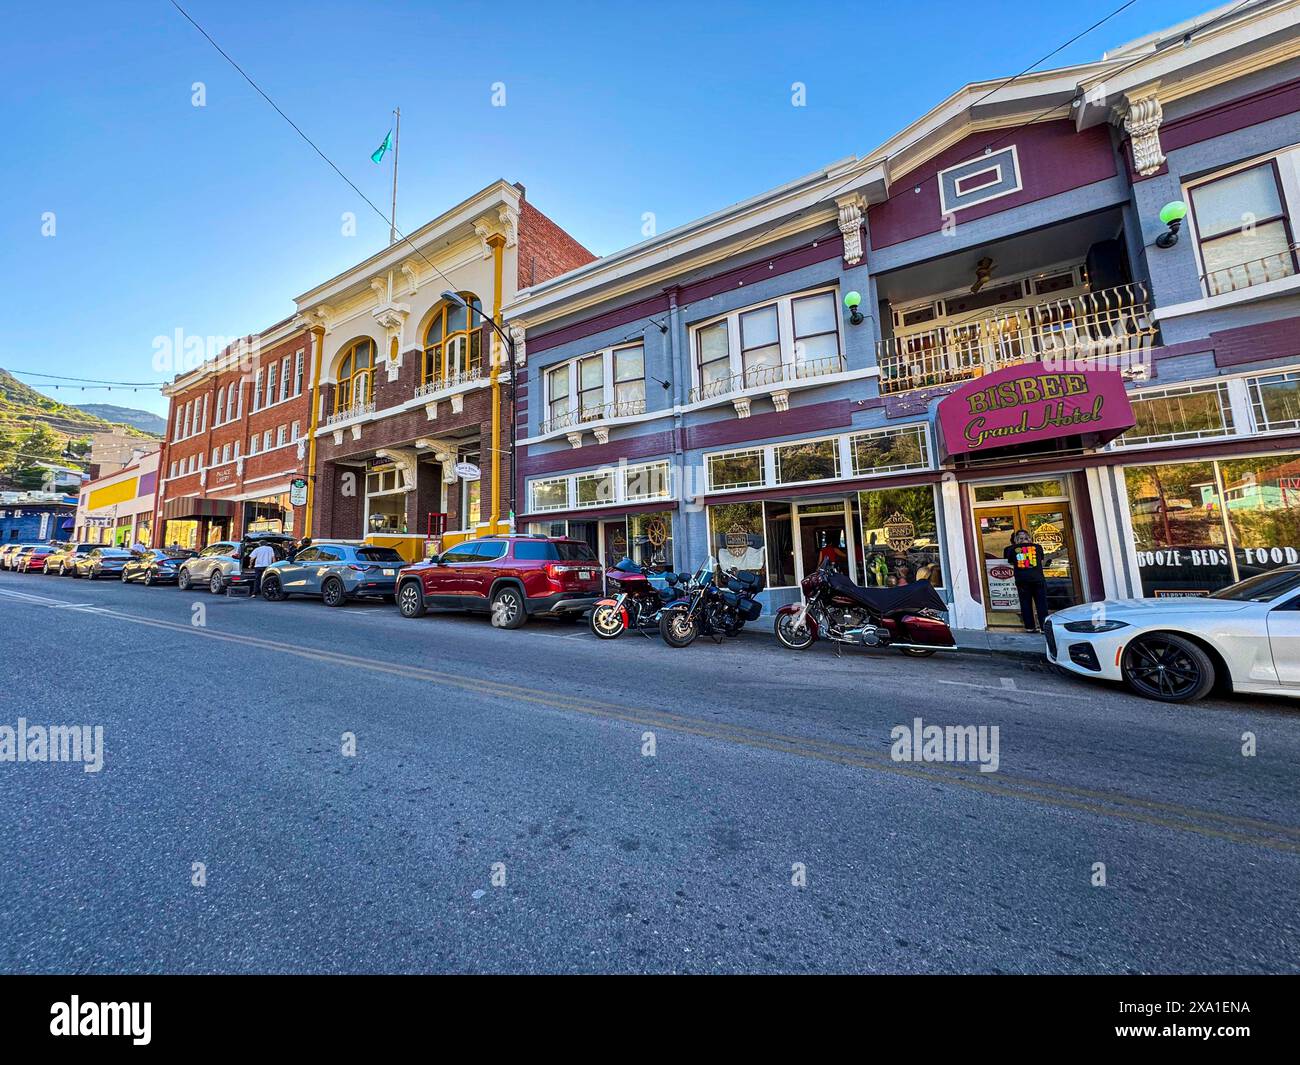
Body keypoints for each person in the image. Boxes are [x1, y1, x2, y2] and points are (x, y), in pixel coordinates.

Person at [1003, 529, 1051, 633]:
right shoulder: (1037, 547)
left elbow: (1010, 561)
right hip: (1037, 579)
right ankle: (1043, 628)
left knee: (1025, 604)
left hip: (1022, 580)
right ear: (1029, 538)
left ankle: (1030, 627)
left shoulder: (1011, 549)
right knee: (1041, 604)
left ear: (1016, 540)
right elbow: (1041, 560)